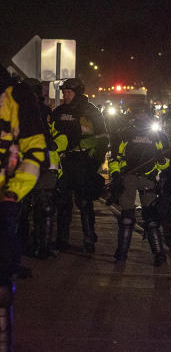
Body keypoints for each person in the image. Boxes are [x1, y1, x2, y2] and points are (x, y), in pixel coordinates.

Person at [1, 70, 47, 350]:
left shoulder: (16, 97)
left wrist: (12, 193)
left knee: (1, 289)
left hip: (3, 201)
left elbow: (35, 153)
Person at [108, 103, 171, 266]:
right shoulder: (124, 133)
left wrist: (162, 162)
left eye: (145, 114)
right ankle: (121, 256)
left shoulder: (158, 136)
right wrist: (116, 174)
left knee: (151, 218)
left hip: (148, 178)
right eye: (139, 113)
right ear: (134, 115)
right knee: (127, 218)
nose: (142, 116)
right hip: (128, 177)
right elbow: (115, 158)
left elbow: (166, 163)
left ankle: (159, 255)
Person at [52, 77, 109, 253]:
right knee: (63, 201)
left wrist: (95, 162)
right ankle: (62, 239)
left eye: (68, 92)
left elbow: (102, 138)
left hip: (84, 162)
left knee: (84, 202)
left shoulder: (91, 111)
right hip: (65, 161)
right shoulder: (60, 111)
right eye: (64, 92)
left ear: (77, 93)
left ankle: (89, 238)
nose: (65, 95)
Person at [19, 78, 66, 260]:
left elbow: (57, 135)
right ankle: (36, 247)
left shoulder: (43, 112)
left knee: (36, 208)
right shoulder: (24, 111)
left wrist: (55, 144)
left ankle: (35, 246)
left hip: (37, 165)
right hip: (34, 164)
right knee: (37, 208)